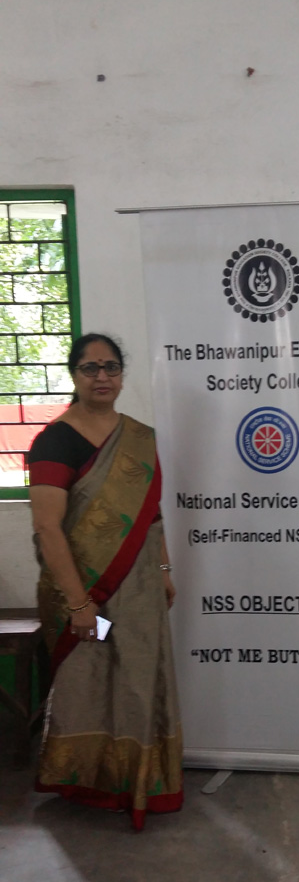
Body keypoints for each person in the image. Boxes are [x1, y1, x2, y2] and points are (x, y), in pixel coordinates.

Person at [29, 333, 183, 830]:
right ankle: (88, 782)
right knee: (87, 680)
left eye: (111, 367)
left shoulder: (139, 437)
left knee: (137, 681)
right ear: (74, 375)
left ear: (121, 374)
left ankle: (134, 782)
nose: (102, 377)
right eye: (90, 368)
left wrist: (163, 570)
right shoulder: (55, 440)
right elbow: (47, 527)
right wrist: (78, 604)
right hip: (81, 592)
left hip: (138, 590)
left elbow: (151, 515)